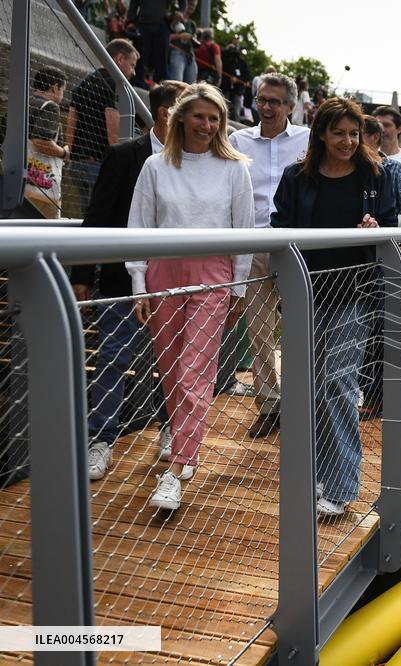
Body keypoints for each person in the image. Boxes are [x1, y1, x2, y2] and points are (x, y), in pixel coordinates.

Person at [126, 83, 253, 511]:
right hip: (163, 271)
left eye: (214, 117)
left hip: (212, 273)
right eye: (199, 116)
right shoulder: (155, 166)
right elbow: (138, 226)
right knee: (170, 371)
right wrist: (138, 283)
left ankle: (177, 468)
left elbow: (243, 232)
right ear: (180, 117)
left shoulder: (235, 168)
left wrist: (238, 288)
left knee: (193, 372)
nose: (207, 124)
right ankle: (184, 448)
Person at [271, 96, 390, 517]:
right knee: (311, 387)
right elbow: (279, 227)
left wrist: (378, 228)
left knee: (339, 383)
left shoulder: (375, 176)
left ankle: (340, 488)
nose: (346, 140)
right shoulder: (296, 177)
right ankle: (319, 472)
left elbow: (396, 226)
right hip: (306, 291)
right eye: (338, 132)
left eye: (353, 133)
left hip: (352, 295)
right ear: (321, 133)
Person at [71, 81, 186, 481]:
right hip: (123, 279)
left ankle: (171, 430)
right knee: (113, 358)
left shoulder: (198, 160)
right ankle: (99, 441)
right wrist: (84, 272)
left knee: (174, 362)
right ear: (163, 112)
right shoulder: (124, 155)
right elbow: (98, 215)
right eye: (183, 108)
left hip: (178, 280)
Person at [228, 73, 310, 438]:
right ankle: (269, 405)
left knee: (302, 329)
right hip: (253, 243)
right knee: (258, 329)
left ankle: (301, 404)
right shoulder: (237, 140)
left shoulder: (310, 140)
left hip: (297, 246)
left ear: (291, 106)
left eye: (275, 101)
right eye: (262, 99)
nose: (266, 107)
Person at [357, 114, 401, 419]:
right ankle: (361, 389)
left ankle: (376, 394)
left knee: (380, 327)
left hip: (383, 262)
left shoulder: (394, 170)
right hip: (350, 261)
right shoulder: (345, 168)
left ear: (372, 138)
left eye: (357, 136)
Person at [65, 38, 138, 219]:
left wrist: (71, 154)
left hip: (79, 162)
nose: (134, 72)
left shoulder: (85, 82)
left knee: (87, 214)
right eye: (132, 64)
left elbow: (71, 121)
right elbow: (113, 130)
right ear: (120, 59)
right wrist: (121, 165)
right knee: (102, 218)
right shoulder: (114, 85)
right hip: (98, 163)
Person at [23, 65, 69, 218]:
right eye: (62, 90)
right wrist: (64, 153)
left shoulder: (22, 103)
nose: (62, 95)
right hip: (41, 191)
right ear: (55, 88)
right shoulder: (50, 108)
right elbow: (41, 141)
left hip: (15, 183)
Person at [126, 0, 194, 86]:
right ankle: (137, 84)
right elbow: (133, 4)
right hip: (143, 24)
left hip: (162, 25)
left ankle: (160, 86)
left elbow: (183, 2)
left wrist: (180, 12)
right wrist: (131, 21)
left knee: (161, 60)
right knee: (140, 57)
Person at [220, 39, 249, 121]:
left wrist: (238, 79)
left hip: (237, 89)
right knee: (224, 108)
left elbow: (247, 75)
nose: (234, 47)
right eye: (232, 44)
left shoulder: (241, 62)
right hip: (225, 87)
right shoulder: (225, 57)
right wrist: (227, 50)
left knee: (236, 111)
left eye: (236, 45)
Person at [166, 11, 198, 83]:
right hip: (177, 53)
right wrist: (180, 36)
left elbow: (196, 43)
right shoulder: (172, 19)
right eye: (190, 4)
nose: (192, 7)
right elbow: (164, 38)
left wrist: (193, 39)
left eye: (194, 5)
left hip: (190, 56)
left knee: (192, 86)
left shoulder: (192, 24)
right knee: (177, 84)